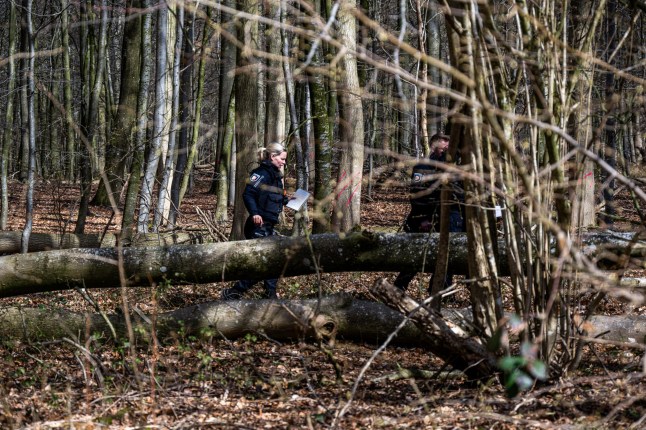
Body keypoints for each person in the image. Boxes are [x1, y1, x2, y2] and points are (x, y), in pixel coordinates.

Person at [393, 133, 465, 293]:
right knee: (419, 254)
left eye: (449, 141)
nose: (447, 144)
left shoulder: (454, 166)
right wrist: (422, 218)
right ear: (434, 144)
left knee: (449, 253)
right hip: (426, 217)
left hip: (451, 216)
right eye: (444, 141)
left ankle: (440, 292)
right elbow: (417, 194)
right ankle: (399, 287)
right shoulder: (422, 166)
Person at [221, 143, 290, 300]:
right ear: (273, 157)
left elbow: (280, 198)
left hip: (269, 225)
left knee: (273, 260)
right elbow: (248, 194)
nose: (283, 162)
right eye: (282, 159)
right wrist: (255, 213)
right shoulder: (260, 174)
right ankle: (234, 292)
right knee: (266, 263)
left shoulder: (276, 177)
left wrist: (293, 200)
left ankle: (269, 294)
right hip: (257, 226)